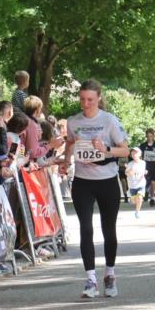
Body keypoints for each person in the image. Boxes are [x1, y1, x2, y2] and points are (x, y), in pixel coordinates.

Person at [59, 79, 130, 298]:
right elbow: (70, 143)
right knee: (86, 228)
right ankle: (90, 279)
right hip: (83, 182)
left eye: (90, 99)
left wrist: (105, 148)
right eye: (82, 99)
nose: (85, 103)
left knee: (109, 229)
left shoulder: (109, 120)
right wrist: (66, 161)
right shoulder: (73, 121)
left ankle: (109, 273)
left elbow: (125, 150)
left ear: (99, 98)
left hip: (107, 181)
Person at [138, 128, 155, 206]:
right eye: (148, 136)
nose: (149, 138)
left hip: (154, 166)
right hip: (145, 167)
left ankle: (152, 198)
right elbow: (139, 155)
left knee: (153, 182)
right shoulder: (143, 145)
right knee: (145, 182)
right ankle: (146, 192)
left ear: (153, 136)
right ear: (146, 136)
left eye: (151, 136)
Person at [125, 147, 147, 217]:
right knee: (134, 201)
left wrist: (145, 172)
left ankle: (137, 212)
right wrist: (130, 172)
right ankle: (132, 199)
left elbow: (143, 171)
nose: (134, 154)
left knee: (139, 198)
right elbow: (126, 173)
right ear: (131, 155)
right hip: (132, 185)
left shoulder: (143, 163)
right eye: (133, 153)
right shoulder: (130, 164)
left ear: (140, 154)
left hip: (141, 184)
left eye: (136, 153)